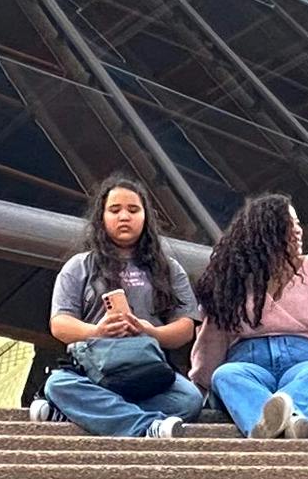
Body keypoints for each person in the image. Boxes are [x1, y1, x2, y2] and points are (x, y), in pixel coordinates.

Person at [40, 177, 209, 439]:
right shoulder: (79, 266)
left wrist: (149, 330)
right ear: (101, 217)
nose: (124, 217)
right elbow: (60, 324)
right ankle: (146, 427)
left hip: (147, 372)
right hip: (93, 370)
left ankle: (79, 413)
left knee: (189, 400)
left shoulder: (169, 268)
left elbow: (186, 330)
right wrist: (98, 330)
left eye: (133, 210)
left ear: (145, 217)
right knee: (58, 383)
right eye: (115, 210)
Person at [190, 191, 308, 439]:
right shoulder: (231, 277)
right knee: (225, 375)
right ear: (265, 230)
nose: (298, 231)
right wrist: (201, 382)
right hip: (248, 364)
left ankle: (282, 419)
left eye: (298, 224)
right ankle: (284, 424)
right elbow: (213, 337)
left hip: (302, 361)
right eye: (289, 225)